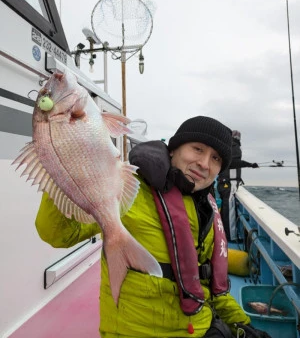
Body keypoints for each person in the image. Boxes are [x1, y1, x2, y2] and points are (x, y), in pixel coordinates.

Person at [35, 116, 270, 338]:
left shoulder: (206, 206)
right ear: (173, 149)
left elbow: (212, 285)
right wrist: (67, 164)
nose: (204, 163)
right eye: (197, 149)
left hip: (198, 326)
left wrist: (242, 324)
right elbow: (58, 234)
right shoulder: (128, 188)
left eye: (216, 158)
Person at [217, 130, 259, 241]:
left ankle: (224, 234)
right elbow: (233, 163)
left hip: (223, 183)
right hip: (230, 183)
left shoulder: (225, 146)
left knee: (226, 209)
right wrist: (250, 165)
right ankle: (231, 237)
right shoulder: (234, 147)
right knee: (229, 210)